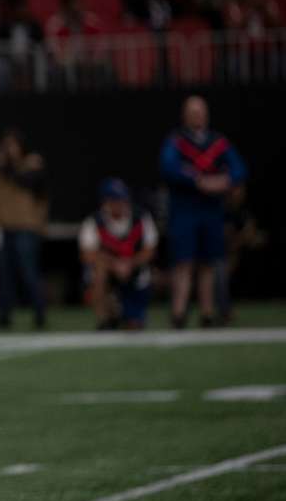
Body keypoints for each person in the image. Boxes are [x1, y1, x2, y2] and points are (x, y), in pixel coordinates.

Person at [160, 96, 247, 328]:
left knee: (209, 263)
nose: (197, 116)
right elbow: (168, 167)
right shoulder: (177, 141)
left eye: (200, 112)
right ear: (185, 115)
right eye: (192, 112)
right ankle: (179, 313)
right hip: (185, 210)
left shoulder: (217, 142)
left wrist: (224, 180)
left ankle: (207, 313)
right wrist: (198, 181)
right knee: (183, 262)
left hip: (211, 210)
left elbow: (239, 169)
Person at [0, 128, 48, 329]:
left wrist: (9, 165)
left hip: (25, 227)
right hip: (2, 226)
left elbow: (26, 183)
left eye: (13, 145)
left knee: (28, 272)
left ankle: (39, 313)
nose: (9, 149)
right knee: (3, 274)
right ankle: (5, 315)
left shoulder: (31, 165)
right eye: (7, 145)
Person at [78, 178, 158, 330]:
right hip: (110, 273)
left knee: (134, 325)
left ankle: (128, 313)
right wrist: (115, 264)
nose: (120, 204)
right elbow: (87, 254)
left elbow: (150, 250)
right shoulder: (94, 221)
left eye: (122, 199)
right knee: (97, 271)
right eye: (115, 200)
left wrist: (130, 263)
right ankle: (104, 318)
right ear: (105, 202)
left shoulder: (141, 217)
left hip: (135, 272)